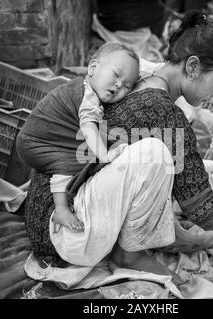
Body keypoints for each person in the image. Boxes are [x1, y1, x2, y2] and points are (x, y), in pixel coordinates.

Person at [23, 11, 213, 286]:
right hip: (62, 233)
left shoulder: (143, 75)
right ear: (192, 66)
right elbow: (203, 206)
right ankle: (130, 255)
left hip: (47, 215)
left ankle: (140, 244)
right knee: (157, 155)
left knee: (173, 159)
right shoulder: (161, 111)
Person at [16, 43, 140, 232]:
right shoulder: (87, 98)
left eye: (127, 85)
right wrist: (105, 155)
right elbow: (89, 128)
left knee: (78, 156)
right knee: (70, 162)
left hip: (39, 137)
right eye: (116, 75)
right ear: (92, 68)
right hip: (36, 141)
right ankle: (61, 209)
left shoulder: (85, 87)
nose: (119, 85)